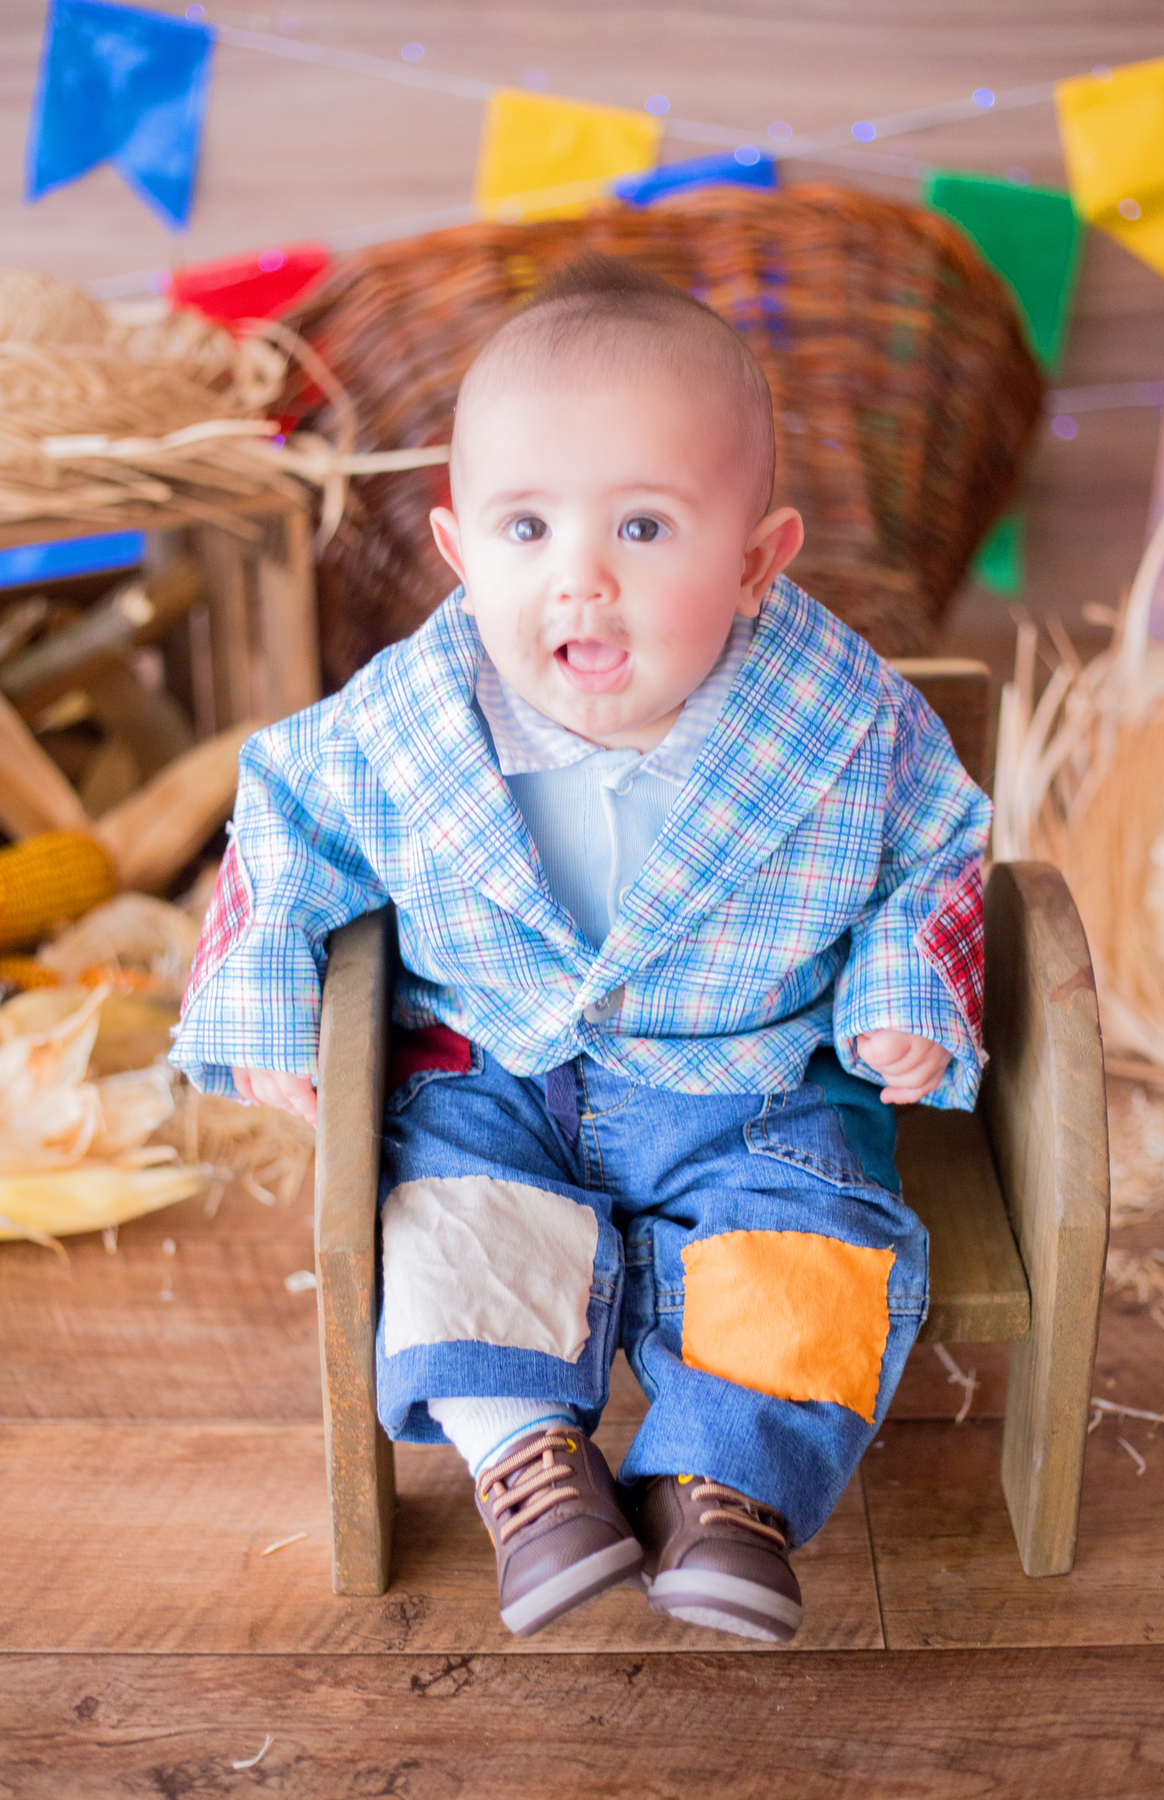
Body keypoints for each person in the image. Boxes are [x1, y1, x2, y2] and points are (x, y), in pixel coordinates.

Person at [172, 255, 990, 1644]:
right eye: (528, 529)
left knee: (813, 1240)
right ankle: (524, 1462)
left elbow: (940, 848)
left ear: (757, 560)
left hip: (753, 1084)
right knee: (446, 1214)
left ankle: (725, 1487)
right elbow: (281, 819)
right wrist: (261, 998)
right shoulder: (412, 718)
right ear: (456, 552)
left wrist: (906, 991)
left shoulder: (849, 721)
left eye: (648, 530)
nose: (582, 582)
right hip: (495, 1071)